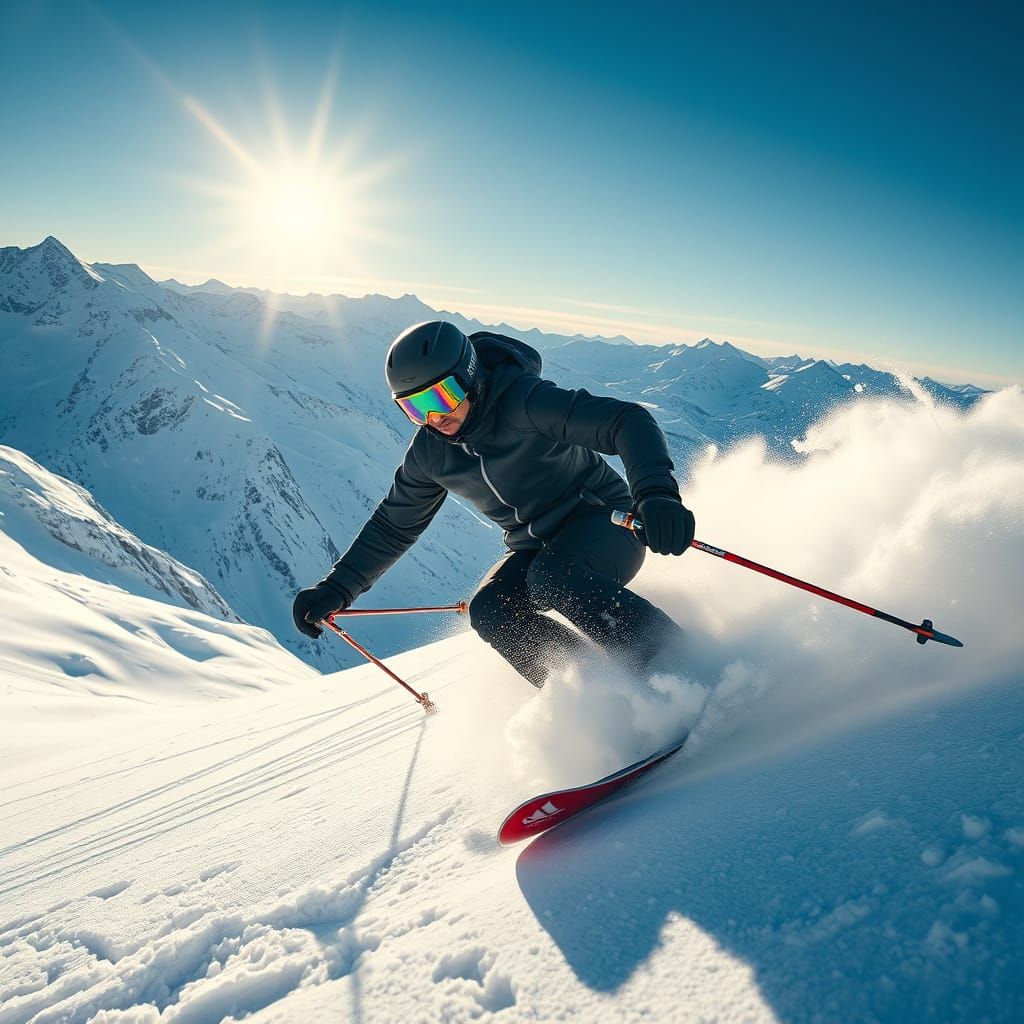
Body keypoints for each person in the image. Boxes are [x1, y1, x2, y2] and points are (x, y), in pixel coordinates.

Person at [292, 320, 695, 687]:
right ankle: (598, 696)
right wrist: (336, 588)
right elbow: (394, 525)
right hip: (536, 548)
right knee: (490, 610)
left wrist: (655, 492)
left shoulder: (525, 402)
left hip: (607, 521)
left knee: (553, 577)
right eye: (416, 408)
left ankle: (679, 669)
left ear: (469, 378)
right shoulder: (431, 455)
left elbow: (626, 422)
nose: (435, 418)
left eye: (443, 396)